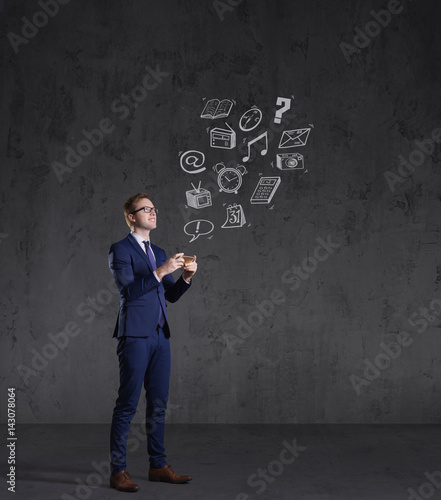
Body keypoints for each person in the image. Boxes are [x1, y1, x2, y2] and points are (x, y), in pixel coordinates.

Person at [108, 192, 197, 492]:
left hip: (160, 335)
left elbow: (168, 295)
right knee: (127, 405)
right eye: (145, 209)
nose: (152, 212)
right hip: (134, 335)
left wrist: (184, 277)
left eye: (154, 208)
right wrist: (161, 271)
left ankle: (158, 466)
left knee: (158, 405)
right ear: (132, 216)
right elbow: (129, 292)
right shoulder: (119, 249)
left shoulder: (159, 252)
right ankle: (117, 471)